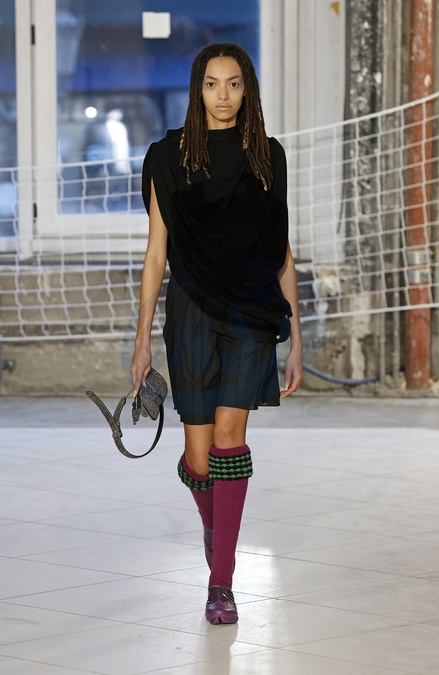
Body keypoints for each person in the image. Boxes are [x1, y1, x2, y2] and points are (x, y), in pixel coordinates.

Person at [131, 42, 303, 625]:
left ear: (247, 89)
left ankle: (221, 581)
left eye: (233, 83)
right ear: (197, 89)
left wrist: (296, 334)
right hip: (191, 312)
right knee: (199, 460)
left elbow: (281, 251)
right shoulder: (167, 157)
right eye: (212, 84)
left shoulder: (268, 157)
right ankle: (216, 527)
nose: (223, 95)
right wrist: (141, 341)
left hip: (251, 310)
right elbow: (156, 255)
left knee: (230, 439)